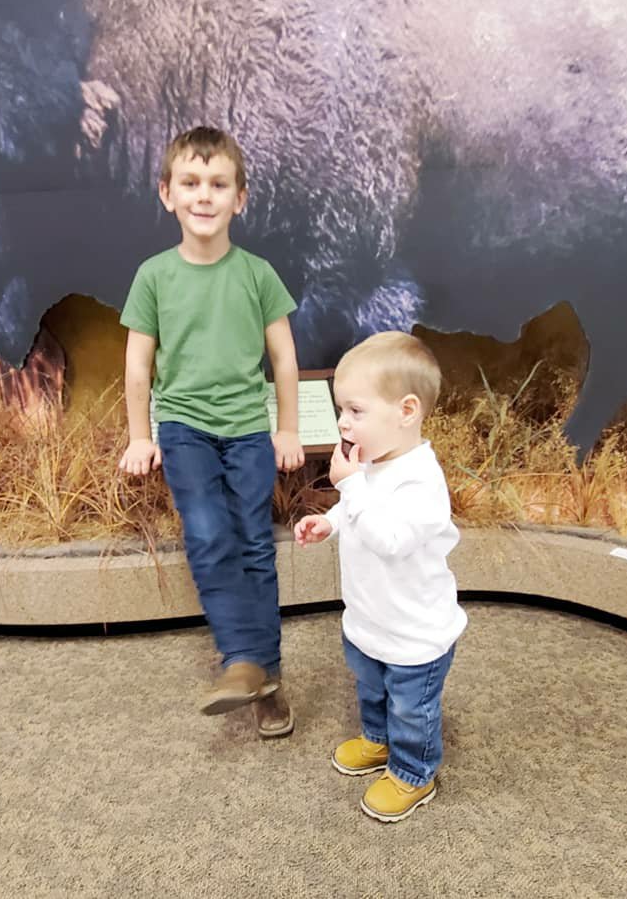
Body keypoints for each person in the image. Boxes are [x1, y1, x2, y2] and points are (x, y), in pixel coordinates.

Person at [118, 125, 305, 737]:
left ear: (239, 198)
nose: (204, 195)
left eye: (218, 184)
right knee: (206, 532)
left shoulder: (258, 274)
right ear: (167, 193)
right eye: (191, 183)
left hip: (248, 429)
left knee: (254, 543)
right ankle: (242, 660)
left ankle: (266, 678)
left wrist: (287, 430)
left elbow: (283, 359)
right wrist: (140, 436)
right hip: (184, 428)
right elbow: (138, 365)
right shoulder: (153, 276)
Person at [294, 331, 466, 821]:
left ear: (406, 411)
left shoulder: (421, 480)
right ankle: (378, 739)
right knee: (370, 686)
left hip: (415, 633)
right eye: (341, 410)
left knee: (412, 707)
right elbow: (360, 512)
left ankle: (414, 772)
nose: (342, 423)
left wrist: (350, 489)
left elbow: (390, 538)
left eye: (355, 410)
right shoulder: (374, 464)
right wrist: (331, 522)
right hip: (370, 620)